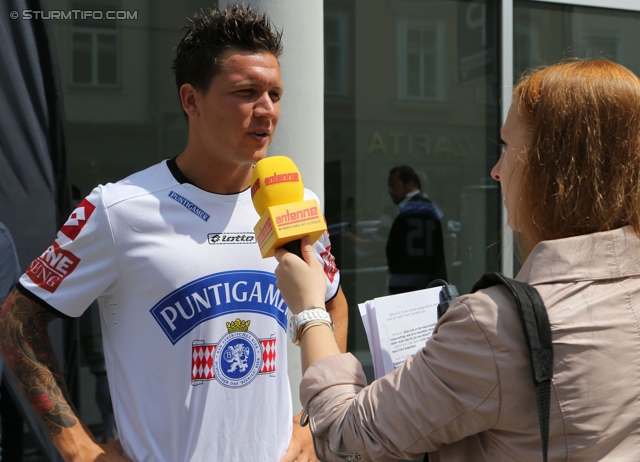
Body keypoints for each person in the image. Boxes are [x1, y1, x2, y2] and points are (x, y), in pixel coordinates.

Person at [0, 5, 347, 462]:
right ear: (191, 100)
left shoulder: (297, 202)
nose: (267, 111)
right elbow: (17, 320)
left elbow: (332, 302)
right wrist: (78, 448)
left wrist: (311, 420)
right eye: (245, 92)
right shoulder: (117, 209)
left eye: (275, 94)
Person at [273, 58, 640, 461]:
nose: (497, 170)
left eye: (507, 146)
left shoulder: (496, 326)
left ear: (554, 168)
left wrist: (310, 309)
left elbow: (345, 436)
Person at [384, 166, 447, 294]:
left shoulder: (395, 213)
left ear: (410, 184)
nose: (390, 190)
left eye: (394, 185)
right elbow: (450, 246)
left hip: (401, 286)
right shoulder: (437, 212)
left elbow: (376, 245)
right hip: (431, 284)